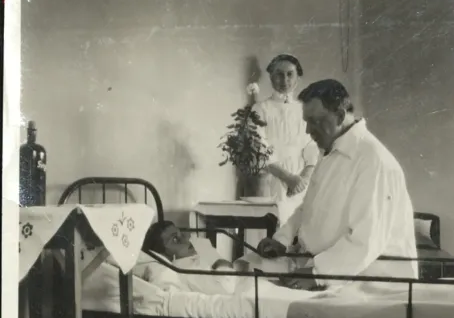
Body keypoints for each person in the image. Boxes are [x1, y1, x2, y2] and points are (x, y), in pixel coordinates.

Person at [255, 79, 419, 291]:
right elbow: (309, 208)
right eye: (306, 121)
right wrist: (282, 238)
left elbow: (366, 240)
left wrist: (318, 274)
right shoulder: (331, 151)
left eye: (315, 121)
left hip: (373, 285)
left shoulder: (373, 160)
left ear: (340, 116)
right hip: (337, 273)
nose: (308, 130)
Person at [251, 54, 320, 225]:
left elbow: (312, 145)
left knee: (300, 232)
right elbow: (260, 148)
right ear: (271, 76)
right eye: (279, 74)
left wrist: (301, 180)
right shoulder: (260, 109)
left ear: (297, 77)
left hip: (300, 184)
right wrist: (288, 178)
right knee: (272, 230)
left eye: (290, 74)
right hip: (272, 180)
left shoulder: (303, 109)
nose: (284, 79)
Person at [140, 221, 237, 295]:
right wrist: (224, 266)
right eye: (175, 239)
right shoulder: (187, 271)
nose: (186, 240)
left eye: (182, 235)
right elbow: (226, 288)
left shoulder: (192, 263)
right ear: (164, 254)